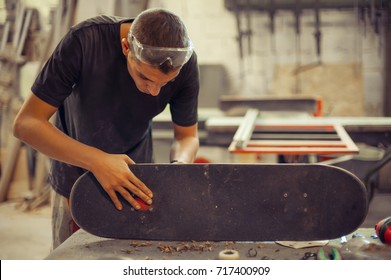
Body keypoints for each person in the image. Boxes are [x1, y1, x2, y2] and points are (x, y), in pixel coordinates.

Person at [13, 8, 200, 249]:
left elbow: (186, 136)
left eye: (166, 84)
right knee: (75, 260)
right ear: (126, 48)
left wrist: (179, 169)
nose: (154, 91)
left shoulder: (185, 63)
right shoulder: (84, 41)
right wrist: (97, 161)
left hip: (137, 180)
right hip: (74, 178)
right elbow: (26, 123)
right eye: (145, 78)